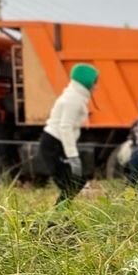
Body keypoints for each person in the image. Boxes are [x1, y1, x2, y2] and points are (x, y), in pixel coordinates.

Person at [39, 63, 99, 204]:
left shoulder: (76, 96)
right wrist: (73, 157)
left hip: (57, 144)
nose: (96, 87)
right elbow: (65, 127)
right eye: (95, 82)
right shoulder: (73, 99)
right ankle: (58, 213)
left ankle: (60, 212)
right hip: (53, 145)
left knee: (75, 183)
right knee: (73, 183)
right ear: (86, 81)